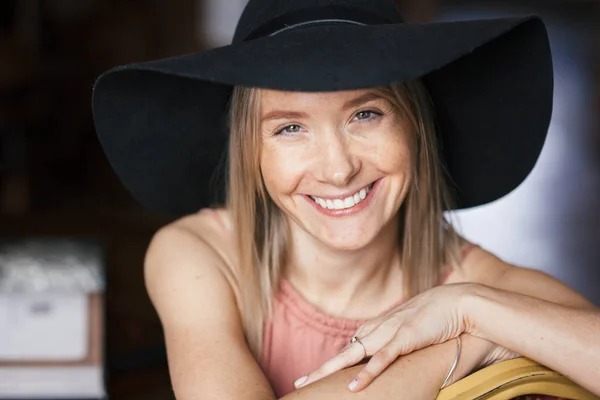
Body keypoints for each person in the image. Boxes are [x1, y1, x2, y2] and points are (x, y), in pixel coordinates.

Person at [91, 0, 600, 399]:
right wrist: (476, 339)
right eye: (290, 128)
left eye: (366, 115)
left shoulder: (471, 283)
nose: (338, 169)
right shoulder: (201, 255)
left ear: (416, 128)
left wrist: (468, 304)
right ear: (250, 154)